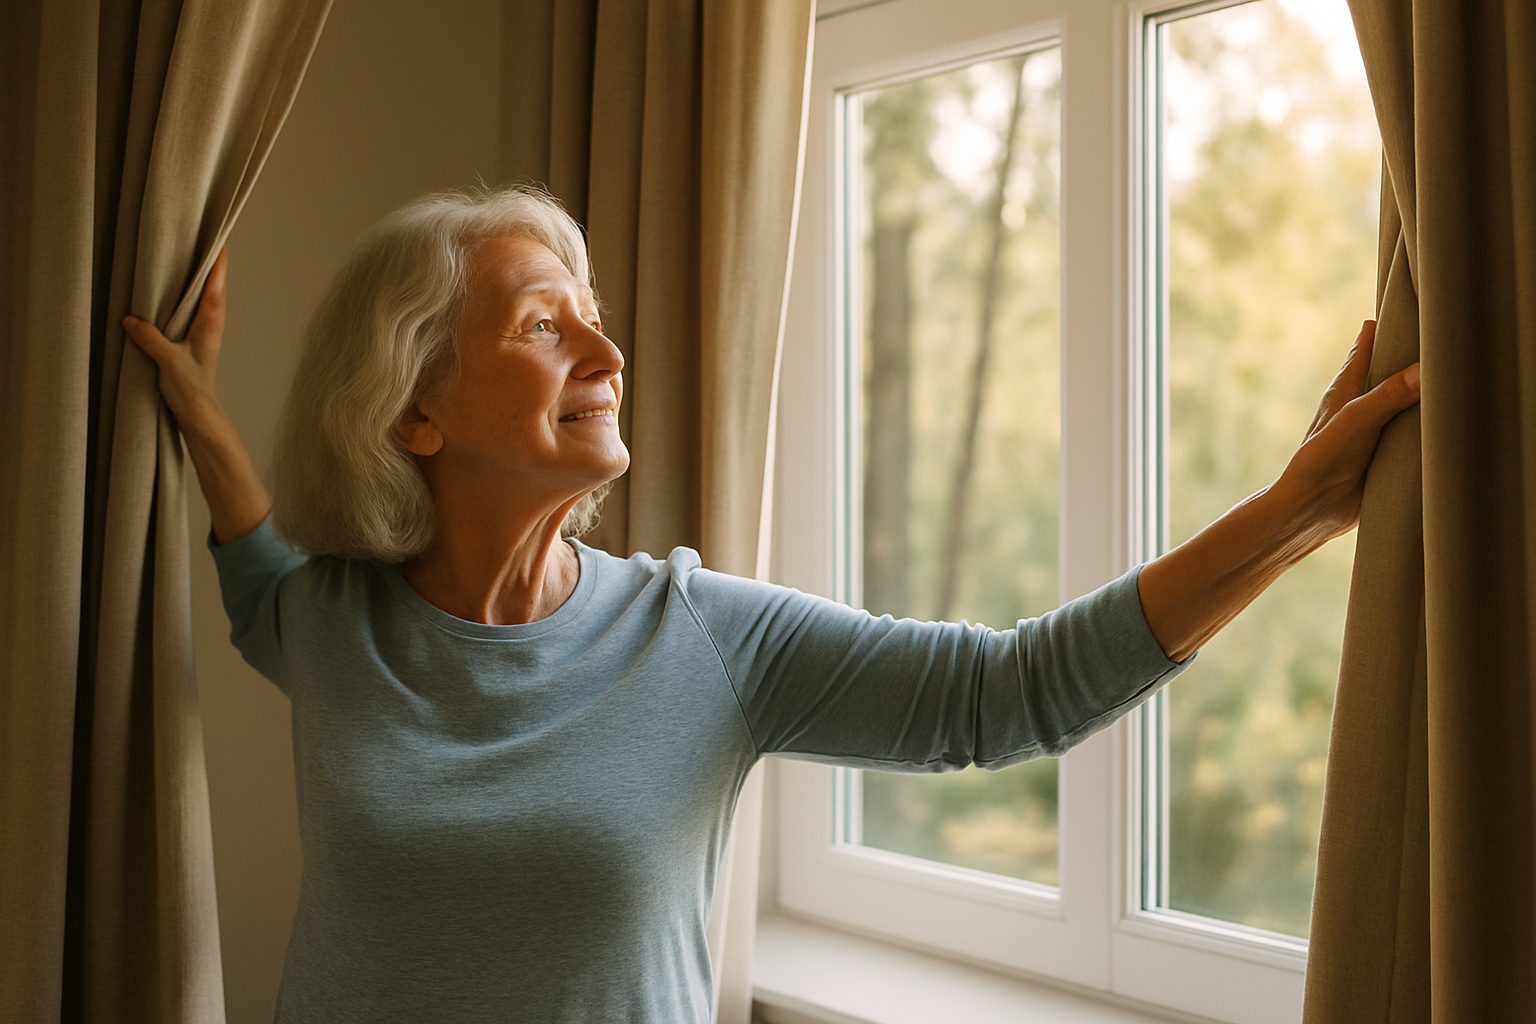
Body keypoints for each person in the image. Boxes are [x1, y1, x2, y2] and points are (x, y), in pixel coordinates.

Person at [123, 184, 1420, 1023]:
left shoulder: (698, 638)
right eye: (543, 327)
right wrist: (197, 418)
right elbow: (255, 579)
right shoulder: (331, 624)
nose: (607, 354)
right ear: (414, 411)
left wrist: (1292, 513)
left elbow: (1006, 692)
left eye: (596, 320)